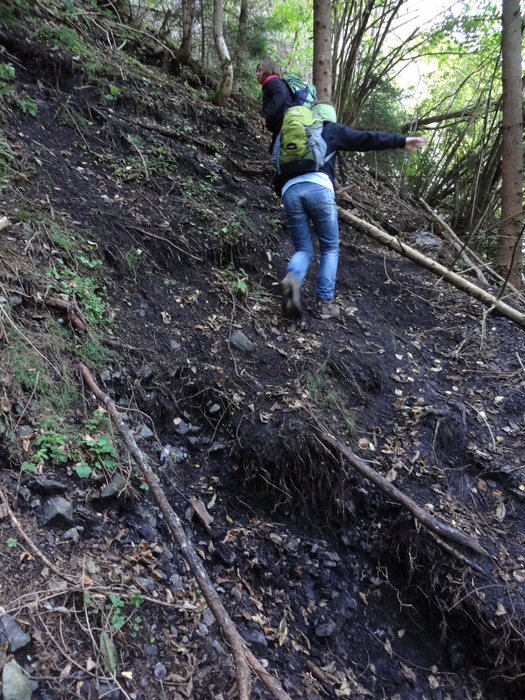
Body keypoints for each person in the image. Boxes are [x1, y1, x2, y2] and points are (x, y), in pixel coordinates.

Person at [277, 102, 428, 320]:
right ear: (330, 117)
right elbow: (366, 138)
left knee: (303, 248)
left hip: (290, 191)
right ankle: (324, 303)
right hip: (320, 189)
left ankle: (293, 277)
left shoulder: (289, 135)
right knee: (329, 248)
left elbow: (277, 166)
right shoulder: (330, 129)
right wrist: (401, 141)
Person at [256, 60, 293, 151]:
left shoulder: (273, 82)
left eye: (260, 71)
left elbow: (280, 95)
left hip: (284, 123)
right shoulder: (275, 82)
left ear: (268, 71)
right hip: (282, 124)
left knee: (275, 152)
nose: (257, 74)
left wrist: (265, 114)